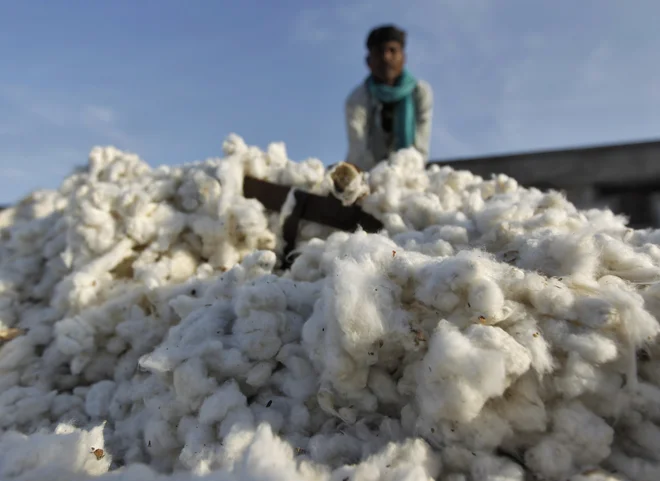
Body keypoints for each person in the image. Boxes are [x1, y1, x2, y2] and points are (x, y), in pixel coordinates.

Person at [344, 24, 433, 171]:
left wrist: (404, 174)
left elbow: (420, 149)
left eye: (392, 51)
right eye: (379, 52)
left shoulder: (420, 93)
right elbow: (358, 153)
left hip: (409, 171)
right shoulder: (356, 100)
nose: (386, 57)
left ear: (403, 57)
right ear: (368, 61)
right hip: (367, 174)